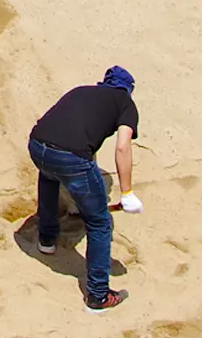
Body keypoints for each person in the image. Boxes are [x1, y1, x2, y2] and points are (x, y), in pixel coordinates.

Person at [26, 66, 137, 311]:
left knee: (49, 175)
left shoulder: (80, 92)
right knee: (100, 222)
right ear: (128, 91)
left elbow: (60, 125)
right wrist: (127, 193)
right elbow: (122, 148)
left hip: (37, 144)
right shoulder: (125, 104)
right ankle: (98, 295)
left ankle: (46, 238)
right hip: (70, 156)